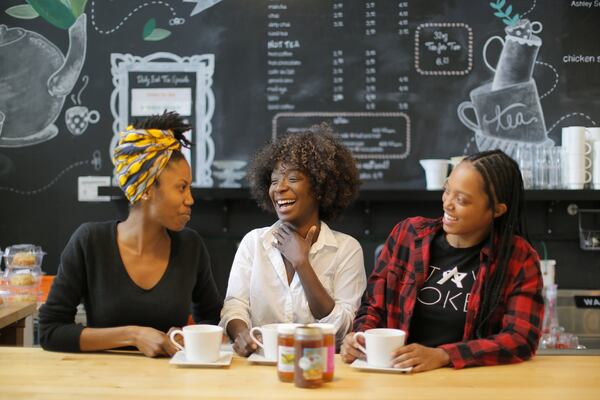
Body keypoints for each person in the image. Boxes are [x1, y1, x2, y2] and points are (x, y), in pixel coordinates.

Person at [341, 149, 544, 372]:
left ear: (496, 210)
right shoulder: (408, 236)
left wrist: (444, 355)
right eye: (447, 190)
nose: (447, 203)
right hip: (398, 377)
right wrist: (360, 338)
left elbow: (521, 339)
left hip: (471, 386)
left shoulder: (518, 258)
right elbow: (373, 307)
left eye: (462, 200)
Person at [39, 111, 222, 357]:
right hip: (101, 385)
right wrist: (134, 335)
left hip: (170, 385)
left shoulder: (191, 246)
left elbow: (211, 320)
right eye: (181, 188)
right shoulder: (90, 242)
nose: (190, 199)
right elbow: (51, 331)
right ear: (146, 190)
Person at [220, 124, 366, 356]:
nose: (280, 188)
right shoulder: (254, 242)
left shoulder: (346, 249)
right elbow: (235, 306)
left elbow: (343, 328)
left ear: (319, 187)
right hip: (260, 366)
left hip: (316, 369)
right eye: (274, 180)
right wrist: (241, 334)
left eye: (293, 178)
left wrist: (302, 264)